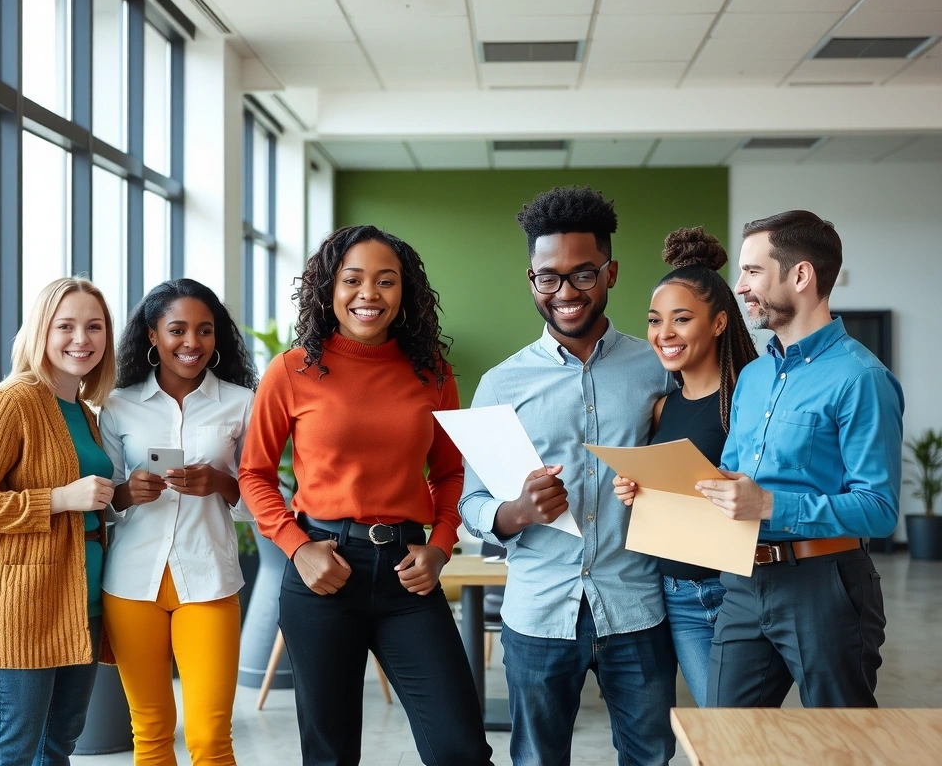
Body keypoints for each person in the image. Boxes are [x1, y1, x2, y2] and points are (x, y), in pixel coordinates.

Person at [239, 225, 493, 766]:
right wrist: (297, 547)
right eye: (352, 280)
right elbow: (254, 473)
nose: (368, 294)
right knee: (330, 756)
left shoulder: (432, 372)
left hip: (408, 573)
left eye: (386, 281)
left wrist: (441, 545)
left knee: (461, 749)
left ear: (406, 293)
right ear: (329, 289)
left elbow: (451, 474)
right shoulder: (291, 370)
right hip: (324, 570)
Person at [460, 185, 678, 766]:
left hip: (637, 603)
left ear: (610, 272)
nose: (565, 292)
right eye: (548, 277)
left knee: (650, 756)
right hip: (538, 609)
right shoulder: (500, 384)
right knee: (537, 759)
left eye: (582, 274)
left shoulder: (659, 368)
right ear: (532, 281)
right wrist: (518, 512)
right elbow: (472, 502)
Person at [693, 210, 903, 708]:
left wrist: (769, 504)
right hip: (744, 583)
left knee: (838, 747)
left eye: (752, 271)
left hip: (826, 588)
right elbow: (732, 479)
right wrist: (666, 488)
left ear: (801, 275)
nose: (739, 285)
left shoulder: (861, 378)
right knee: (726, 743)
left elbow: (879, 508)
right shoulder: (753, 378)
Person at [0, 277, 117, 766]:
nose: (81, 339)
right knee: (14, 752)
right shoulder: (14, 400)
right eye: (66, 326)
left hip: (80, 607)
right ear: (41, 331)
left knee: (58, 747)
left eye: (94, 326)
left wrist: (121, 494)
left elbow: (84, 502)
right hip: (22, 610)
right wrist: (58, 498)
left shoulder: (83, 411)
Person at [98, 279, 258, 765]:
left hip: (208, 580)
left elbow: (263, 498)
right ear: (152, 335)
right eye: (177, 329)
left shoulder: (241, 402)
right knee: (150, 733)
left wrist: (220, 483)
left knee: (211, 738)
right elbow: (103, 498)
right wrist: (128, 492)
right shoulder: (118, 405)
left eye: (205, 330)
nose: (192, 342)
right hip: (131, 584)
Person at [612, 227, 758, 706]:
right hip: (674, 593)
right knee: (718, 731)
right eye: (655, 320)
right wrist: (639, 492)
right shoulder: (661, 407)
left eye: (681, 319)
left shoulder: (746, 403)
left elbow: (763, 493)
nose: (663, 334)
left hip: (734, 590)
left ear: (717, 324)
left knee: (737, 732)